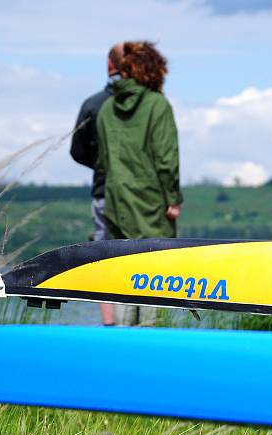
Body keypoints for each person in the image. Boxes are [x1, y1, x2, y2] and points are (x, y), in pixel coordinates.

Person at [96, 40, 183, 326]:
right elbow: (166, 157)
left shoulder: (107, 109)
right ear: (153, 70)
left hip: (115, 200)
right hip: (151, 202)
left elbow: (105, 160)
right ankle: (150, 341)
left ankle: (122, 340)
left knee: (123, 272)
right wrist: (173, 198)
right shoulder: (158, 105)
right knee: (155, 275)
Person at [70, 43, 123, 327]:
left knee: (105, 254)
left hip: (103, 189)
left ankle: (109, 324)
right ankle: (138, 323)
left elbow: (77, 151)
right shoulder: (147, 103)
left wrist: (101, 166)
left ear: (108, 64)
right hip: (137, 193)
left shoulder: (92, 104)